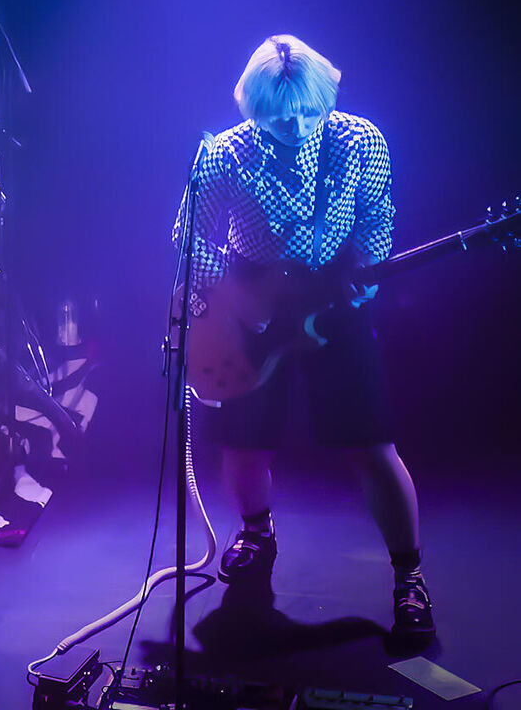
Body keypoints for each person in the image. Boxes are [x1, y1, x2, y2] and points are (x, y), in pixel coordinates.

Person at [176, 35, 432, 637]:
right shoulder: (223, 154)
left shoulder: (360, 141)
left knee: (372, 445)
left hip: (331, 299)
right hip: (249, 301)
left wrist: (361, 277)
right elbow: (188, 238)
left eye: (306, 111)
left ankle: (409, 575)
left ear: (326, 97)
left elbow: (377, 217)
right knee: (244, 443)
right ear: (252, 105)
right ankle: (256, 531)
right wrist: (239, 300)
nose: (293, 125)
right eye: (276, 114)